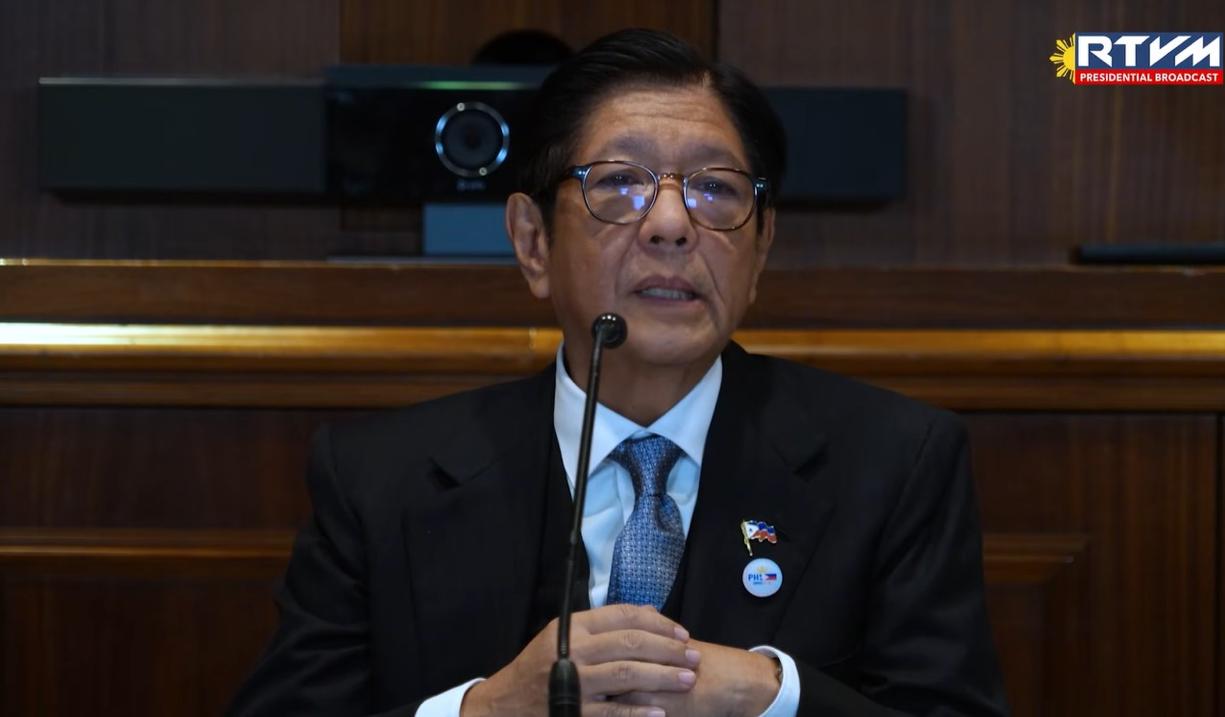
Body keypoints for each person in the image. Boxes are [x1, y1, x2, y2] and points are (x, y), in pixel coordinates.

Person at [229, 28, 1007, 717]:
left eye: (714, 188)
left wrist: (767, 695)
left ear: (761, 246)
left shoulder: (894, 462)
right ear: (532, 242)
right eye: (619, 183)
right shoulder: (379, 480)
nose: (671, 224)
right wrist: (484, 710)